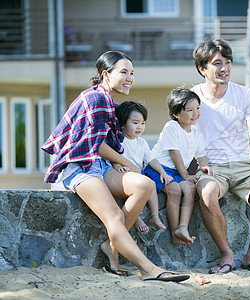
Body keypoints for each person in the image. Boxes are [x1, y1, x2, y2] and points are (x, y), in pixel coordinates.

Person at [41, 51, 189, 282]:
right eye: (124, 72)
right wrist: (127, 163)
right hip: (77, 167)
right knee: (115, 217)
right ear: (105, 75)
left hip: (98, 165)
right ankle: (148, 269)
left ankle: (111, 246)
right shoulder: (96, 99)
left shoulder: (108, 101)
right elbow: (97, 145)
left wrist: (119, 164)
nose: (129, 78)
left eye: (132, 73)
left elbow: (103, 148)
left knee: (144, 184)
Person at [191, 38, 250, 274]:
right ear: (202, 68)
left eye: (228, 63)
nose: (224, 69)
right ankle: (227, 255)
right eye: (217, 63)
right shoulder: (191, 98)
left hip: (244, 166)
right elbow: (182, 137)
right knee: (207, 194)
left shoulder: (244, 94)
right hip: (211, 167)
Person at [142, 87, 214, 245]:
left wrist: (205, 167)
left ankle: (183, 227)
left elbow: (201, 156)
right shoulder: (171, 127)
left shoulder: (196, 133)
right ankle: (175, 232)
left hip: (176, 171)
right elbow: (175, 154)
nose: (195, 113)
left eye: (198, 108)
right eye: (189, 110)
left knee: (190, 189)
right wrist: (186, 176)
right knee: (174, 190)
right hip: (157, 168)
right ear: (176, 114)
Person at [114, 100, 168, 231]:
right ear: (122, 123)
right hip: (125, 174)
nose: (140, 127)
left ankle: (154, 215)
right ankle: (135, 218)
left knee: (151, 184)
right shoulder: (119, 140)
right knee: (131, 191)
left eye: (143, 123)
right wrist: (116, 165)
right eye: (135, 123)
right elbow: (112, 156)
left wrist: (162, 172)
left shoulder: (142, 142)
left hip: (139, 174)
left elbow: (151, 160)